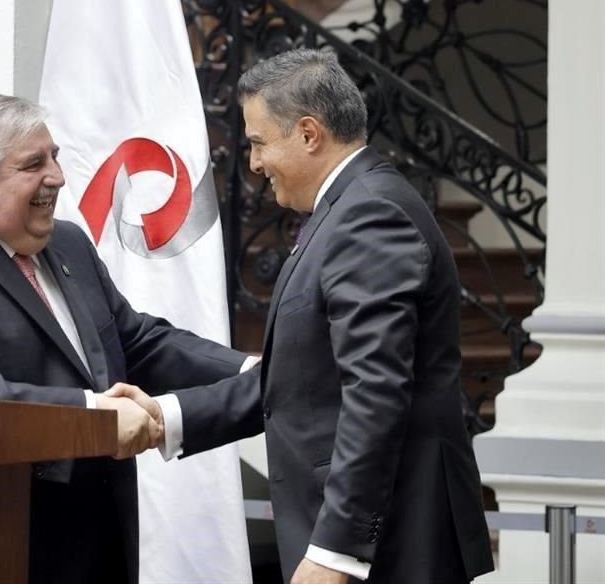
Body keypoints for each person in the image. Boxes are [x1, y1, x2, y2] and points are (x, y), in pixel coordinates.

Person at [110, 49, 495, 584]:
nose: (253, 163)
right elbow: (302, 379)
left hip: (393, 546)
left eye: (259, 142)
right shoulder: (347, 208)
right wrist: (166, 416)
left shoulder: (368, 215)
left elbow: (375, 392)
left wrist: (336, 551)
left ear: (309, 133)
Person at [0, 94, 250, 584]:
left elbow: (134, 340)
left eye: (56, 156)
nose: (58, 177)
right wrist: (93, 417)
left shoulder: (65, 242)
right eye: (34, 164)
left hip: (95, 537)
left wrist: (250, 372)